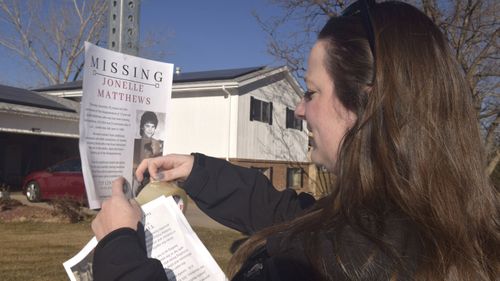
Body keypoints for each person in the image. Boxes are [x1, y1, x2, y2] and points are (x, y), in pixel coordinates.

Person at [91, 0, 499, 280]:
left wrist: (119, 250)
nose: (300, 110)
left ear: (366, 104)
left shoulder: (318, 263)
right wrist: (198, 171)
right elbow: (291, 213)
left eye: (311, 92)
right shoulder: (442, 233)